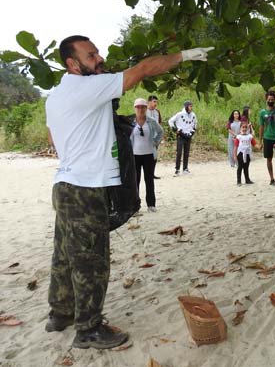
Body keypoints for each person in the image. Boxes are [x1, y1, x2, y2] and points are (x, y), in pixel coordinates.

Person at [45, 35, 212, 349]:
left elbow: (55, 140)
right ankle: (89, 329)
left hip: (64, 184)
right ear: (73, 64)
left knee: (65, 256)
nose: (99, 58)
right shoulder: (89, 86)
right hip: (85, 188)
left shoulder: (55, 96)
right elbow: (144, 69)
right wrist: (185, 54)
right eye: (91, 55)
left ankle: (60, 313)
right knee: (91, 262)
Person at [130, 98, 164, 212]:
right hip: (134, 155)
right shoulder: (131, 122)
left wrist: (155, 142)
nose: (140, 109)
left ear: (146, 108)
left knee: (149, 180)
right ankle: (134, 206)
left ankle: (151, 204)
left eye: (143, 107)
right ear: (134, 108)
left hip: (149, 154)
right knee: (135, 181)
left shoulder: (151, 121)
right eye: (138, 107)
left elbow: (160, 132)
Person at [258, 90, 275, 185]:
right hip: (267, 137)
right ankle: (272, 178)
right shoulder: (262, 112)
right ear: (266, 99)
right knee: (269, 158)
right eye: (269, 99)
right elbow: (261, 127)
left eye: (272, 99)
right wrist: (260, 141)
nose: (270, 101)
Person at [168, 100, 197, 175]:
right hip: (181, 135)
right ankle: (177, 169)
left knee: (186, 153)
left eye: (191, 106)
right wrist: (175, 129)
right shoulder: (179, 114)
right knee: (179, 153)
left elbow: (195, 123)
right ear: (186, 106)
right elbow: (170, 121)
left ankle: (185, 169)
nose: (191, 108)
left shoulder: (193, 115)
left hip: (188, 135)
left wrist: (193, 131)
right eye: (190, 106)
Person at [234, 121, 257, 185]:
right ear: (240, 128)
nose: (244, 129)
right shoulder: (238, 137)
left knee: (246, 167)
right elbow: (235, 147)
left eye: (245, 127)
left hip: (248, 154)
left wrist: (260, 146)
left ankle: (247, 179)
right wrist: (235, 156)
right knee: (240, 167)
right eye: (243, 127)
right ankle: (239, 181)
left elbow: (254, 144)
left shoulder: (250, 136)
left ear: (247, 128)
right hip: (240, 154)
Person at [146, 95, 162, 179]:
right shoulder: (144, 111)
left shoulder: (157, 112)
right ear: (149, 102)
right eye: (154, 101)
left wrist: (159, 138)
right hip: (145, 138)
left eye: (156, 102)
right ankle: (146, 173)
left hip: (155, 138)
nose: (156, 103)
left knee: (154, 157)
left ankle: (152, 173)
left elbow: (160, 124)